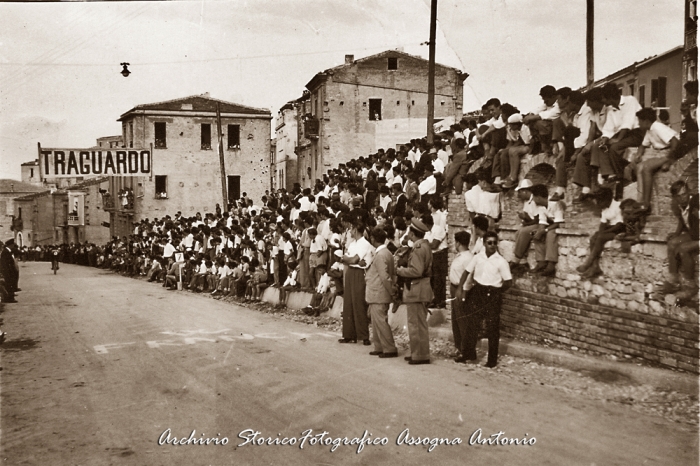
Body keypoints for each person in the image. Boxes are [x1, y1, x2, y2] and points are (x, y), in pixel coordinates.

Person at [458, 231, 512, 368]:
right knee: (472, 324)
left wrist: (497, 292)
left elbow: (508, 282)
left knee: (492, 328)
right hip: (478, 291)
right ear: (484, 243)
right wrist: (460, 288)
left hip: (492, 293)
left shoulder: (501, 262)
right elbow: (466, 272)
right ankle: (469, 354)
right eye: (489, 243)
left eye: (495, 243)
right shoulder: (478, 257)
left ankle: (491, 360)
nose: (492, 245)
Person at [626, 107, 680, 213]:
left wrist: (669, 159)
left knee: (646, 168)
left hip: (669, 152)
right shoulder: (649, 130)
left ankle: (646, 203)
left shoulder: (657, 128)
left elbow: (675, 142)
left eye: (640, 122)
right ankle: (640, 199)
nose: (639, 124)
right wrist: (638, 154)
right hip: (661, 153)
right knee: (639, 166)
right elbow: (643, 145)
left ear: (646, 121)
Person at [396, 218, 434, 365]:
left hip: (417, 289)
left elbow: (416, 271)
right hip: (421, 288)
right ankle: (418, 352)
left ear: (412, 234)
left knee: (415, 324)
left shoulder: (418, 249)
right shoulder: (425, 246)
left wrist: (400, 271)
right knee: (419, 323)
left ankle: (419, 355)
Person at [655, 180, 699, 300]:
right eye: (678, 196)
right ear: (675, 198)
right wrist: (677, 233)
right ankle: (673, 281)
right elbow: (682, 220)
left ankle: (691, 286)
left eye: (684, 194)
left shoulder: (696, 202)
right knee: (672, 243)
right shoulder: (681, 205)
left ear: (688, 192)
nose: (682, 198)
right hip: (695, 235)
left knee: (682, 249)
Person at [365, 227, 399, 358]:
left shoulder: (380, 255)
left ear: (373, 239)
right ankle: (379, 346)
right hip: (378, 293)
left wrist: (391, 292)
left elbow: (385, 277)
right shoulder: (387, 253)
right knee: (376, 322)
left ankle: (389, 348)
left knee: (380, 322)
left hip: (378, 293)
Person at [339, 223, 374, 345]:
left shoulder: (365, 244)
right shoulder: (352, 244)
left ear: (355, 230)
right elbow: (348, 260)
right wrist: (348, 260)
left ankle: (364, 335)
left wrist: (348, 259)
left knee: (359, 303)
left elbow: (354, 260)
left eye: (351, 230)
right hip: (350, 272)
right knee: (348, 303)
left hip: (359, 273)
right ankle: (349, 334)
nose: (350, 232)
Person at [449, 231, 473, 363]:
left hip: (461, 289)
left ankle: (466, 351)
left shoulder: (467, 258)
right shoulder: (460, 256)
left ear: (458, 243)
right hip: (454, 288)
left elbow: (469, 278)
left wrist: (462, 291)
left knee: (462, 320)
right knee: (456, 319)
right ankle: (459, 347)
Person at [0, 239, 18, 303]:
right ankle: (9, 298)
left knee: (10, 284)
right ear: (11, 245)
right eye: (13, 245)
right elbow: (4, 263)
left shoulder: (8, 251)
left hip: (10, 271)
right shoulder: (6, 252)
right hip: (8, 272)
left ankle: (10, 297)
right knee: (9, 284)